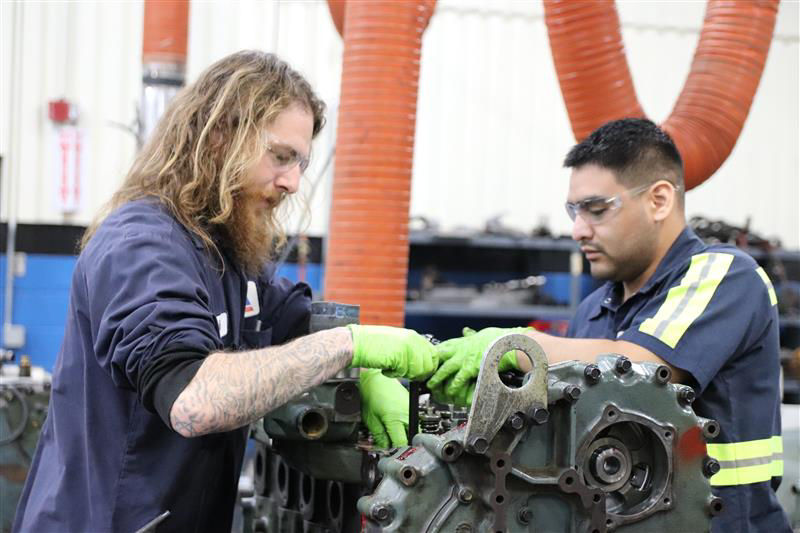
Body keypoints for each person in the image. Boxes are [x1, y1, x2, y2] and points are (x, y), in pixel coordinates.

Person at [13, 51, 436, 533]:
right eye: (281, 156)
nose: (293, 182)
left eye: (300, 163)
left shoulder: (226, 257)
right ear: (219, 138)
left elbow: (297, 319)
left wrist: (374, 368)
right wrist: (347, 346)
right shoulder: (142, 246)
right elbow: (193, 399)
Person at [427, 118, 789, 532]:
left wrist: (517, 347)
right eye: (574, 212)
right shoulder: (594, 309)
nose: (578, 230)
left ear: (659, 201)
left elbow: (641, 370)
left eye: (597, 210)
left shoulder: (726, 275)